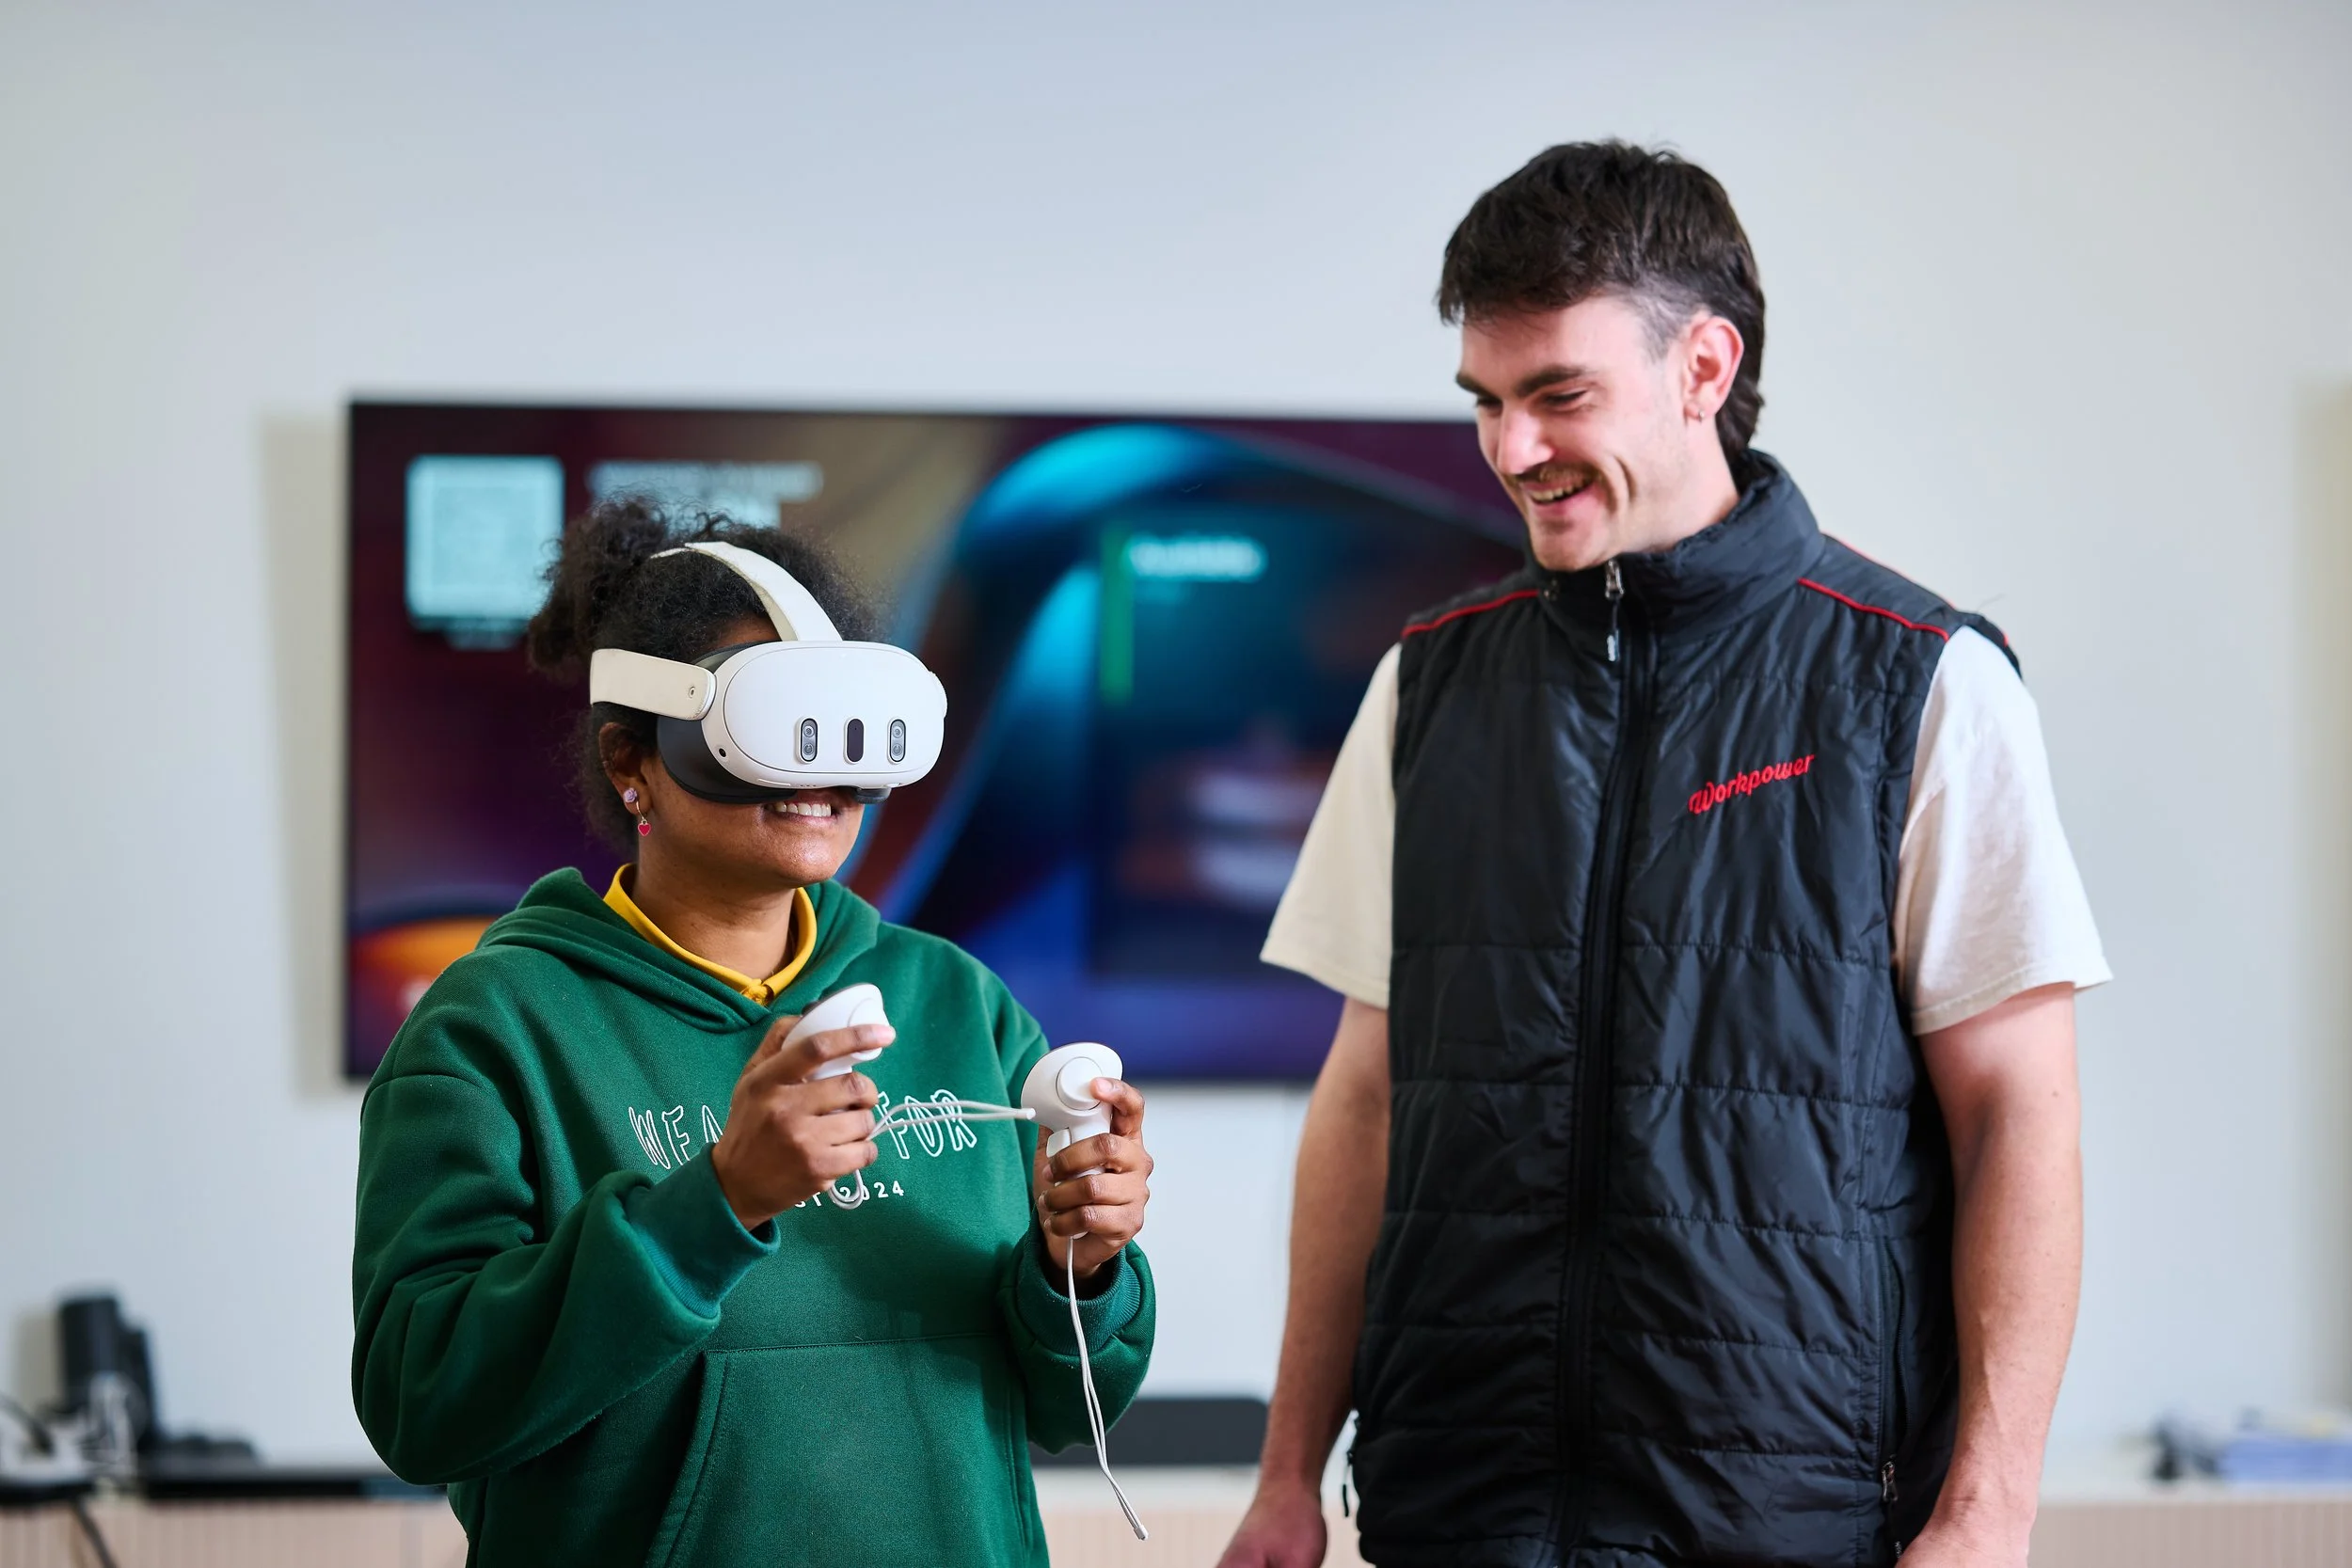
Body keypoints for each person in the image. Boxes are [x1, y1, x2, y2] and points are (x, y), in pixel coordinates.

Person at [1219, 142, 2105, 1568]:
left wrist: (1988, 1513)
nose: (1513, 451)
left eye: (1559, 394)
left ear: (1705, 367)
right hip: (1460, 1520)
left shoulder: (1922, 683)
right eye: (1488, 403)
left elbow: (2021, 1115)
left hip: (1795, 1526)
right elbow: (1368, 1102)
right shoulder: (1429, 685)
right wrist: (1283, 1475)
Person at [352, 500, 1156, 1568]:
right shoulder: (495, 1028)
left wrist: (1083, 1263)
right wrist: (716, 1200)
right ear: (632, 759)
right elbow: (424, 1403)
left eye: (844, 726)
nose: (820, 771)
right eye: (777, 725)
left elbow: (1071, 1401)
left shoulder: (956, 1001)